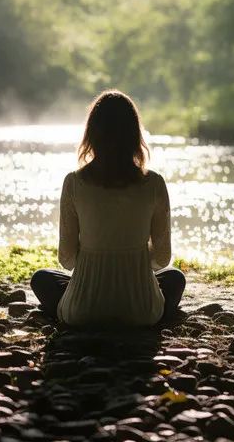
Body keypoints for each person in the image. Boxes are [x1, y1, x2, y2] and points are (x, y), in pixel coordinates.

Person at [30, 89, 186, 326]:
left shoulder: (74, 183)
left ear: (91, 134)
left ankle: (81, 311)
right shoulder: (154, 183)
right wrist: (134, 266)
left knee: (42, 279)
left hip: (83, 312)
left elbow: (67, 259)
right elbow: (162, 259)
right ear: (135, 135)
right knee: (175, 278)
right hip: (142, 312)